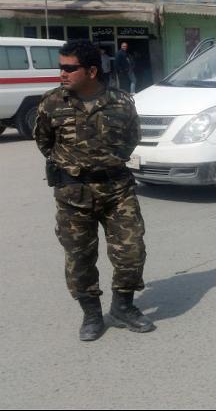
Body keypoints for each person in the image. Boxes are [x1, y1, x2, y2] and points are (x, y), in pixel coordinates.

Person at [33, 40, 155, 341]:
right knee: (79, 258)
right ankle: (91, 314)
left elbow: (131, 138)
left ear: (90, 70)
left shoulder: (121, 102)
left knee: (131, 252)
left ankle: (123, 306)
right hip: (73, 193)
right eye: (61, 67)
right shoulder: (52, 103)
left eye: (68, 68)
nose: (62, 73)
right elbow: (44, 142)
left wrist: (106, 164)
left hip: (117, 190)